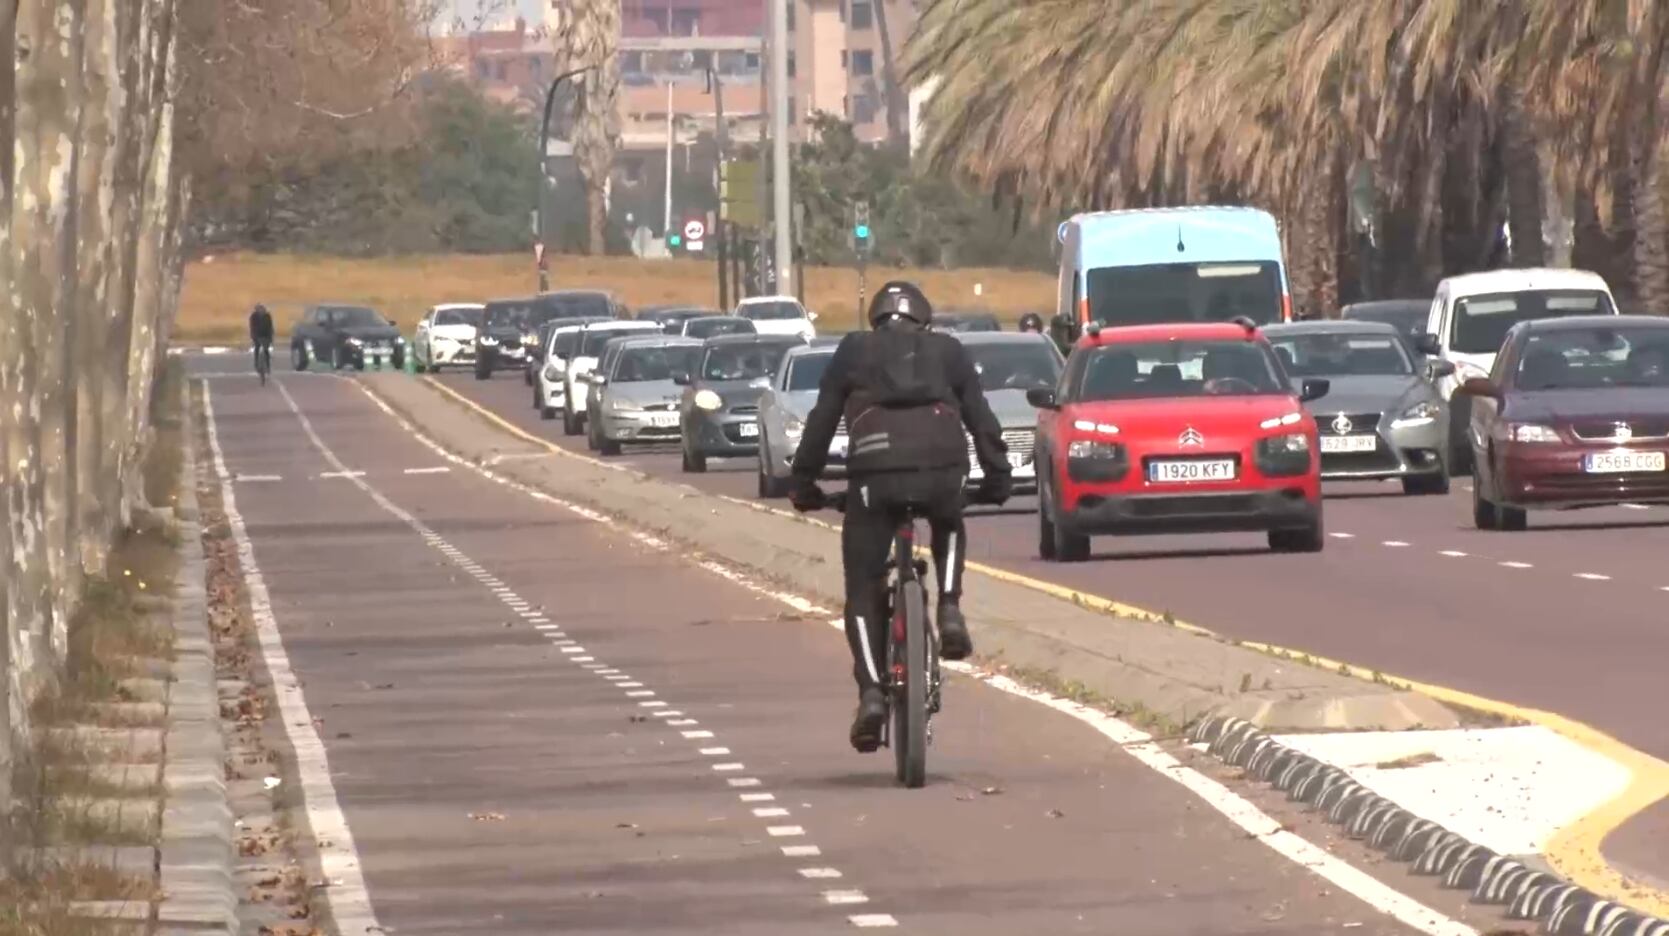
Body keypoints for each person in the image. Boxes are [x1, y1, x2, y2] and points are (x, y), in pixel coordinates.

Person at [789, 281, 1012, 752]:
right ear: (923, 321)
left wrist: (804, 484)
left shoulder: (853, 351)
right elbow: (981, 417)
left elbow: (822, 419)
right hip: (941, 469)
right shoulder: (949, 351)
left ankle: (871, 692)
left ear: (875, 321)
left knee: (862, 589)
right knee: (949, 519)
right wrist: (997, 477)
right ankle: (949, 607)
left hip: (874, 477)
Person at [248, 303, 275, 371]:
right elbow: (252, 327)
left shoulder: (267, 316)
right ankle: (257, 363)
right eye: (259, 309)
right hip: (257, 335)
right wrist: (253, 336)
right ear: (257, 310)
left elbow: (270, 326)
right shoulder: (253, 316)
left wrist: (271, 336)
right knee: (257, 348)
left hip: (266, 335)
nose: (261, 310)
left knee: (266, 350)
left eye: (262, 309)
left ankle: (268, 365)